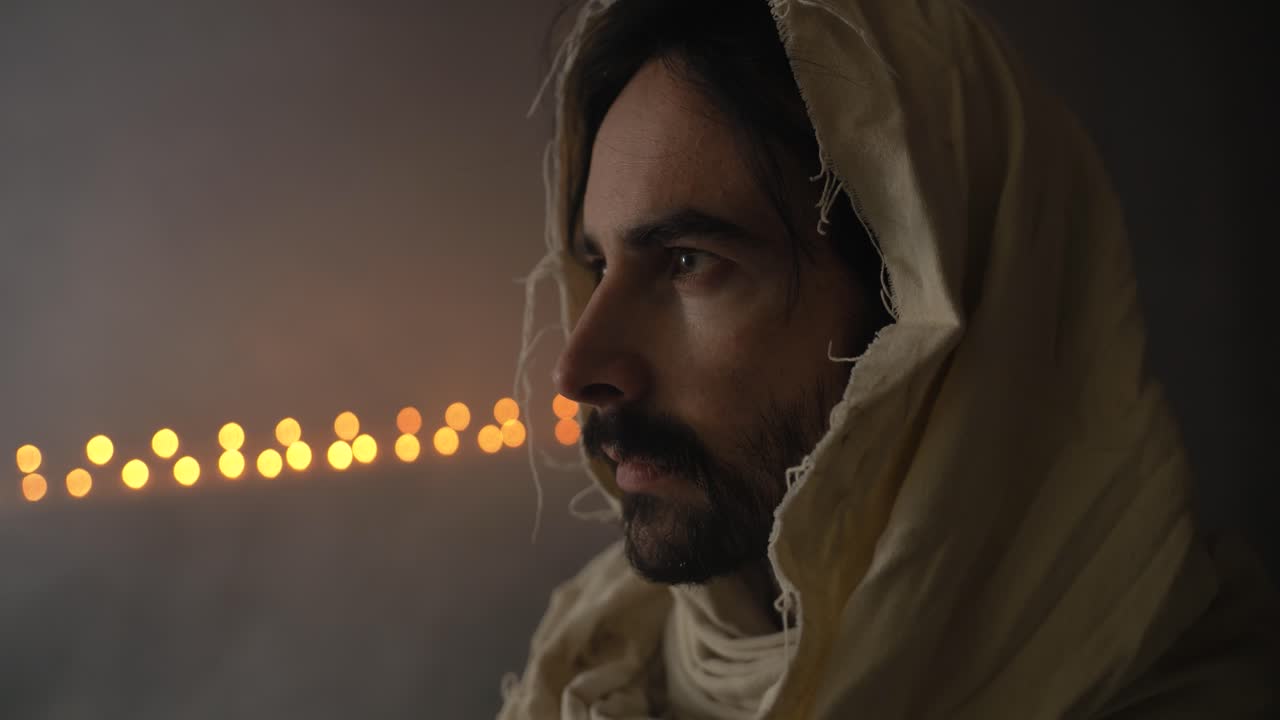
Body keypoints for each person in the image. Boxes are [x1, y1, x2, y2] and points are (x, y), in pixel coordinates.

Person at [499, 0, 1280, 717]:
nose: (579, 370)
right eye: (597, 267)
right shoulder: (599, 672)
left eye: (688, 262)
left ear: (918, 304)